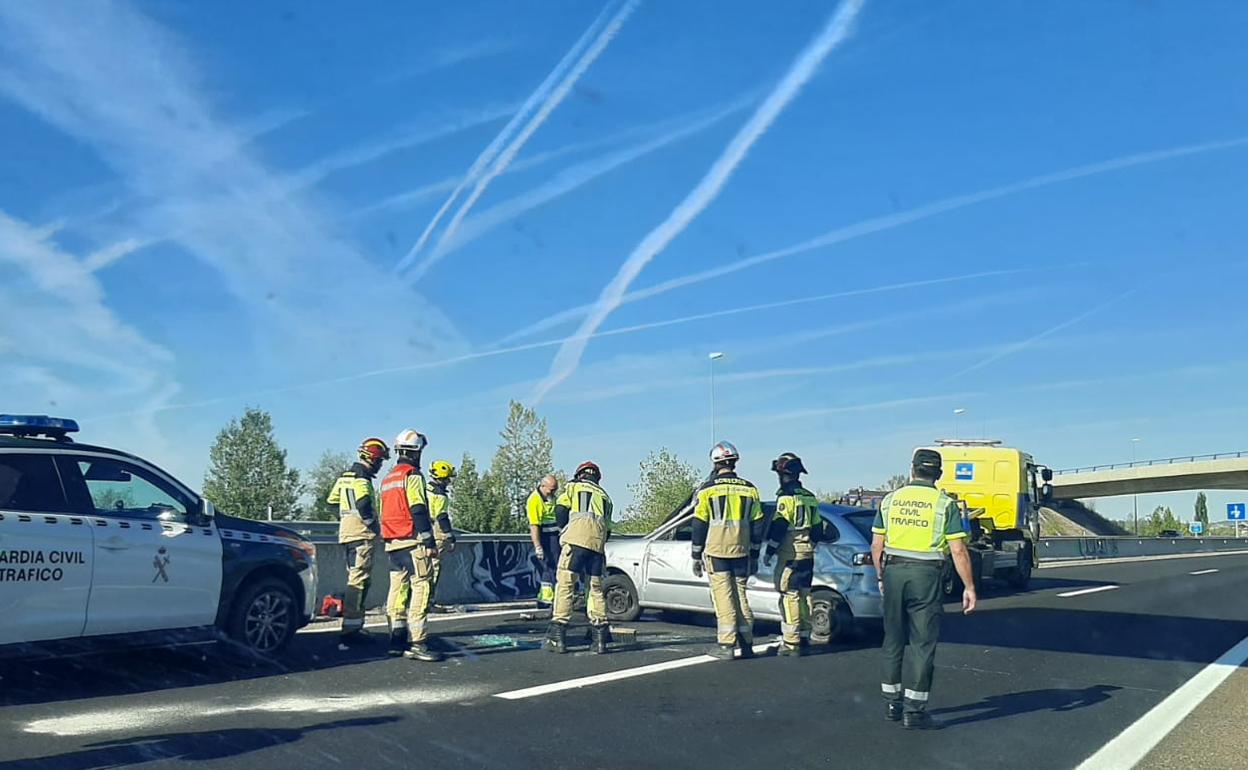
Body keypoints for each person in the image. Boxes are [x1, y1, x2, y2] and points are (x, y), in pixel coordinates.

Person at [870, 448, 977, 730]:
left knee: (893, 639)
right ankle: (914, 711)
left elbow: (876, 545)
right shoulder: (945, 504)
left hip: (894, 572)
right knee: (922, 643)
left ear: (912, 470)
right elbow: (958, 550)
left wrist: (881, 576)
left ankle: (891, 703)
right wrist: (969, 587)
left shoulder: (891, 500)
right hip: (926, 575)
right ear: (938, 474)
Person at [691, 441, 765, 660]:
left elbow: (699, 524)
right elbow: (758, 523)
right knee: (741, 595)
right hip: (741, 550)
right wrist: (754, 552)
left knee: (724, 598)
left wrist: (696, 554)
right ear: (734, 462)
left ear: (715, 463)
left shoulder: (707, 490)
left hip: (717, 551)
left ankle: (726, 645)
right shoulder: (750, 489)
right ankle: (747, 643)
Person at [379, 429, 443, 662]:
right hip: (412, 539)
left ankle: (396, 640)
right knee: (421, 587)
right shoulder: (412, 475)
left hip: (392, 542)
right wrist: (429, 539)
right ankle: (418, 642)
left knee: (397, 589)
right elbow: (417, 508)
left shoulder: (388, 478)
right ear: (416, 452)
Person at [763, 452, 832, 656]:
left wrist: (769, 551)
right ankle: (804, 634)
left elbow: (780, 525)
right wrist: (810, 542)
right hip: (807, 554)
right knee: (804, 595)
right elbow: (819, 529)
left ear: (783, 474)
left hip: (790, 553)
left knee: (789, 595)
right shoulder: (809, 497)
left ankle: (791, 642)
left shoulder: (786, 498)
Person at [544, 462, 613, 655]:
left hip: (575, 543)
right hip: (596, 547)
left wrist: (563, 530)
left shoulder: (573, 487)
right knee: (595, 588)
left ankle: (558, 633)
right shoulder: (605, 497)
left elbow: (560, 510)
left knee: (566, 584)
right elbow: (608, 528)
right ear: (597, 478)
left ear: (579, 474)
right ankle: (599, 636)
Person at [326, 437, 389, 644]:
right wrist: (376, 528)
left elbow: (331, 502)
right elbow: (364, 505)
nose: (380, 466)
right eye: (379, 461)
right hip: (362, 535)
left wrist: (345, 519)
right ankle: (352, 627)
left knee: (354, 577)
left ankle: (352, 624)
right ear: (371, 459)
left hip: (346, 534)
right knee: (359, 580)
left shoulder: (344, 478)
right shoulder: (362, 480)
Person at [426, 460, 458, 604]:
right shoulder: (440, 495)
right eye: (448, 479)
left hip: (422, 528)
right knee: (435, 566)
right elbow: (442, 516)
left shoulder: (424, 489)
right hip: (436, 530)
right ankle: (429, 600)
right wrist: (450, 537)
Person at [526, 475, 560, 607]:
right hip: (546, 537)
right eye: (551, 490)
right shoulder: (535, 500)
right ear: (543, 486)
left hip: (555, 536)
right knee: (550, 566)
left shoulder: (550, 498)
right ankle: (547, 600)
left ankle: (547, 598)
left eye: (555, 490)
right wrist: (538, 546)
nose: (553, 493)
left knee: (553, 567)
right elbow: (534, 525)